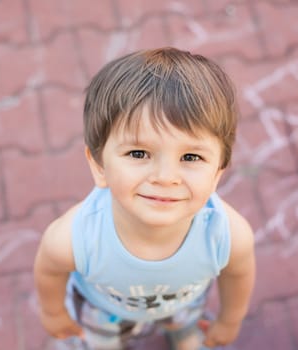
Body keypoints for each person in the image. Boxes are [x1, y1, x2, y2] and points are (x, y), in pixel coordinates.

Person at [34, 47, 256, 350]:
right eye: (138, 153)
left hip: (183, 304)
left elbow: (239, 274)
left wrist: (230, 319)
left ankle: (181, 332)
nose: (165, 177)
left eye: (191, 156)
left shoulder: (228, 234)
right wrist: (53, 312)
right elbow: (49, 270)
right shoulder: (74, 237)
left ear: (217, 173)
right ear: (99, 166)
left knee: (186, 324)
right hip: (104, 312)